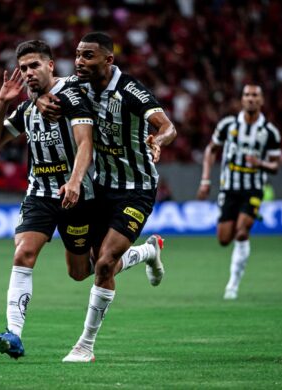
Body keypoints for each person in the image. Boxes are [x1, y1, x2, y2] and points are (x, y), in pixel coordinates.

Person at [37, 32, 177, 362]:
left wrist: (159, 140)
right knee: (81, 271)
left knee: (103, 265)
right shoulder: (76, 85)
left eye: (88, 56)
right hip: (99, 188)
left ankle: (85, 345)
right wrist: (40, 99)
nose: (80, 62)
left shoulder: (130, 91)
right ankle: (146, 252)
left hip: (136, 189)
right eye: (78, 55)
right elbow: (46, 87)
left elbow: (167, 125)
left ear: (107, 61)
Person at [0, 40, 96, 360]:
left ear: (51, 64)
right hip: (39, 194)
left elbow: (78, 95)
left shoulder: (73, 87)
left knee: (81, 271)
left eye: (35, 65)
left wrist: (45, 95)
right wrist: (3, 102)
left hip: (77, 195)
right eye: (23, 68)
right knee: (24, 253)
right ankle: (13, 334)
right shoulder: (26, 108)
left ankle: (139, 253)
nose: (29, 72)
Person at [197, 84, 281, 300]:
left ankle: (232, 285)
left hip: (253, 188)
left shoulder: (269, 132)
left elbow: (275, 166)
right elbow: (211, 150)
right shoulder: (228, 125)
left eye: (255, 95)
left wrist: (259, 163)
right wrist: (205, 180)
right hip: (229, 188)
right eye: (247, 95)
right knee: (224, 239)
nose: (251, 99)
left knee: (242, 232)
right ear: (242, 99)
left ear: (261, 101)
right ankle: (241, 233)